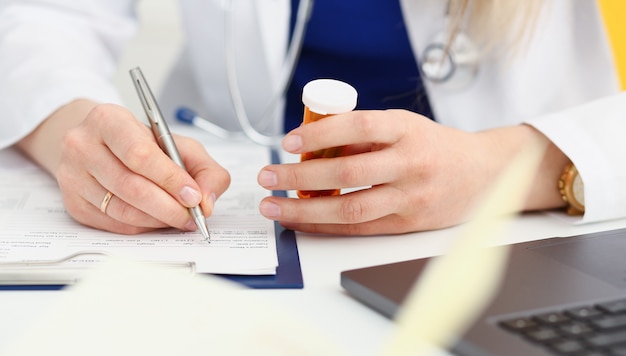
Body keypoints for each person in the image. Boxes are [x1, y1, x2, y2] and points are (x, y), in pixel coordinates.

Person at [1, 0, 625, 237]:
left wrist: (509, 166)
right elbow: (48, 17)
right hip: (234, 211)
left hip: (511, 234)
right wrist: (72, 130)